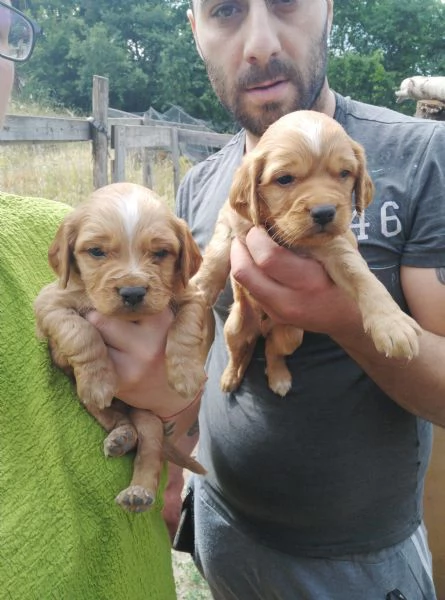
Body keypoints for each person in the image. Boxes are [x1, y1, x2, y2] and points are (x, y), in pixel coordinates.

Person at [86, 0, 445, 598]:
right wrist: (175, 462)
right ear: (195, 29)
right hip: (222, 521)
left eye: (284, 3)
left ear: (327, 10)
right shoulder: (201, 184)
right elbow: (190, 338)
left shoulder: (426, 153)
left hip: (356, 557)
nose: (258, 42)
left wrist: (344, 321)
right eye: (224, 10)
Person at [0, 2, 201, 597]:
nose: (133, 279)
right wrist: (92, 359)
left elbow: (182, 401)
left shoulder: (50, 222)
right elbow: (55, 307)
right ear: (68, 256)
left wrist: (175, 398)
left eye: (3, 37)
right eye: (99, 255)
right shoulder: (62, 255)